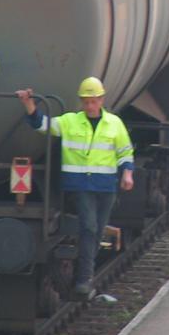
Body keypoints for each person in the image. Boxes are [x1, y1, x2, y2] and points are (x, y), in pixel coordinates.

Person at [16, 77, 134, 298]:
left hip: (106, 186)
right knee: (88, 226)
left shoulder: (114, 124)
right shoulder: (70, 121)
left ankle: (86, 275)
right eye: (86, 101)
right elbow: (42, 124)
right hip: (80, 184)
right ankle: (83, 280)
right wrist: (28, 103)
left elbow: (125, 152)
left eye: (93, 101)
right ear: (81, 101)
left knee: (97, 230)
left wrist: (127, 173)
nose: (89, 106)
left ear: (101, 100)